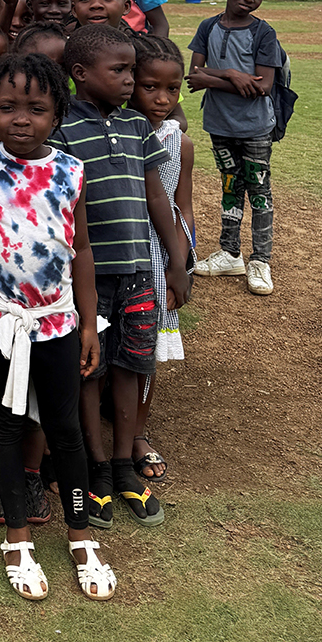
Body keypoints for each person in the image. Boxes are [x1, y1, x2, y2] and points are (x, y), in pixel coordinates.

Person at [0, 54, 117, 602]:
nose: (21, 119)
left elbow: (81, 249)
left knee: (65, 429)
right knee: (7, 427)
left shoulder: (70, 170)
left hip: (56, 320)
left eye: (37, 109)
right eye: (7, 107)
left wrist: (88, 323)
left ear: (57, 115)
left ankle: (81, 537)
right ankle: (17, 538)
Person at [52, 25, 188, 532]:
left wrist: (177, 263)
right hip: (87, 280)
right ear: (81, 75)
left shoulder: (137, 128)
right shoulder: (62, 128)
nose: (132, 80)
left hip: (136, 273)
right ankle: (97, 467)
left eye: (133, 69)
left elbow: (159, 199)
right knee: (91, 371)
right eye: (121, 70)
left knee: (133, 365)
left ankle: (127, 464)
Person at [187, 0, 282, 296]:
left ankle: (261, 260)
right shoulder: (207, 26)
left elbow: (264, 86)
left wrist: (216, 76)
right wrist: (232, 75)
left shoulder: (263, 33)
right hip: (219, 123)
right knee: (230, 186)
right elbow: (193, 77)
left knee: (258, 191)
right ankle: (230, 253)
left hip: (255, 126)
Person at [129, 35, 196, 480]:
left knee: (146, 353)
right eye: (151, 86)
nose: (162, 98)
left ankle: (137, 431)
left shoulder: (179, 143)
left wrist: (182, 264)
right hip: (115, 251)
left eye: (172, 89)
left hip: (158, 255)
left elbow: (182, 206)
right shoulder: (111, 131)